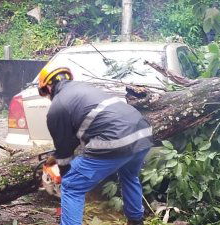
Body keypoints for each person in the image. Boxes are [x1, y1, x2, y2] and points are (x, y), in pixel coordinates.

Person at [38, 65, 153, 225]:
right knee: (129, 175)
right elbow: (77, 137)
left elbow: (65, 153)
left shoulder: (57, 106)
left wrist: (64, 176)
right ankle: (136, 221)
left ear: (48, 86)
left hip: (116, 139)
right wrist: (54, 157)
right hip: (142, 132)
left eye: (44, 92)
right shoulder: (85, 89)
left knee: (72, 186)